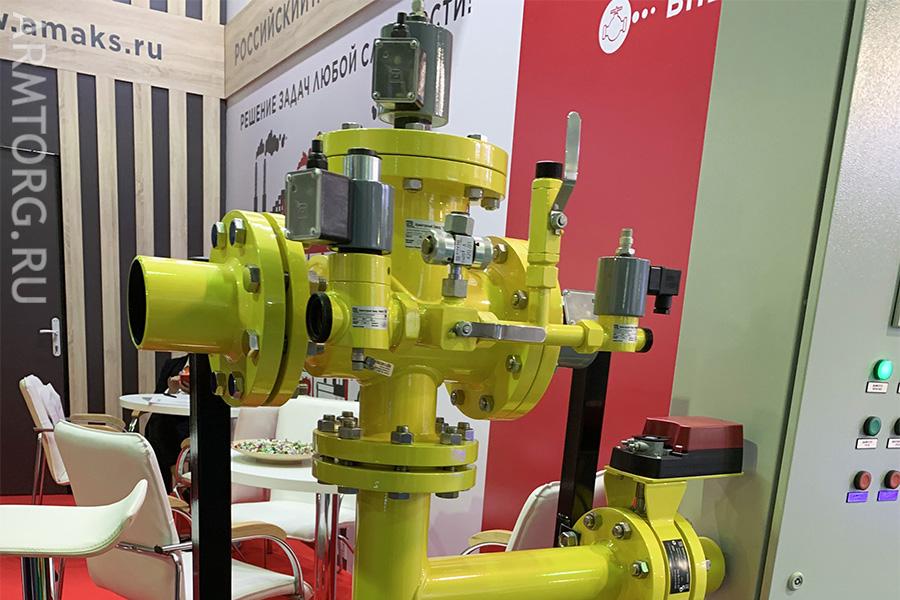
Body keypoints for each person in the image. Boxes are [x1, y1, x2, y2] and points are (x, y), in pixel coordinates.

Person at [144, 354, 190, 493]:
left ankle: (164, 489)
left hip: (193, 420)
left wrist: (194, 392)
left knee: (157, 427)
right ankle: (179, 481)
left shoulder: (213, 367)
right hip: (170, 417)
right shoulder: (172, 364)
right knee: (158, 423)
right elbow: (158, 394)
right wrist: (171, 390)